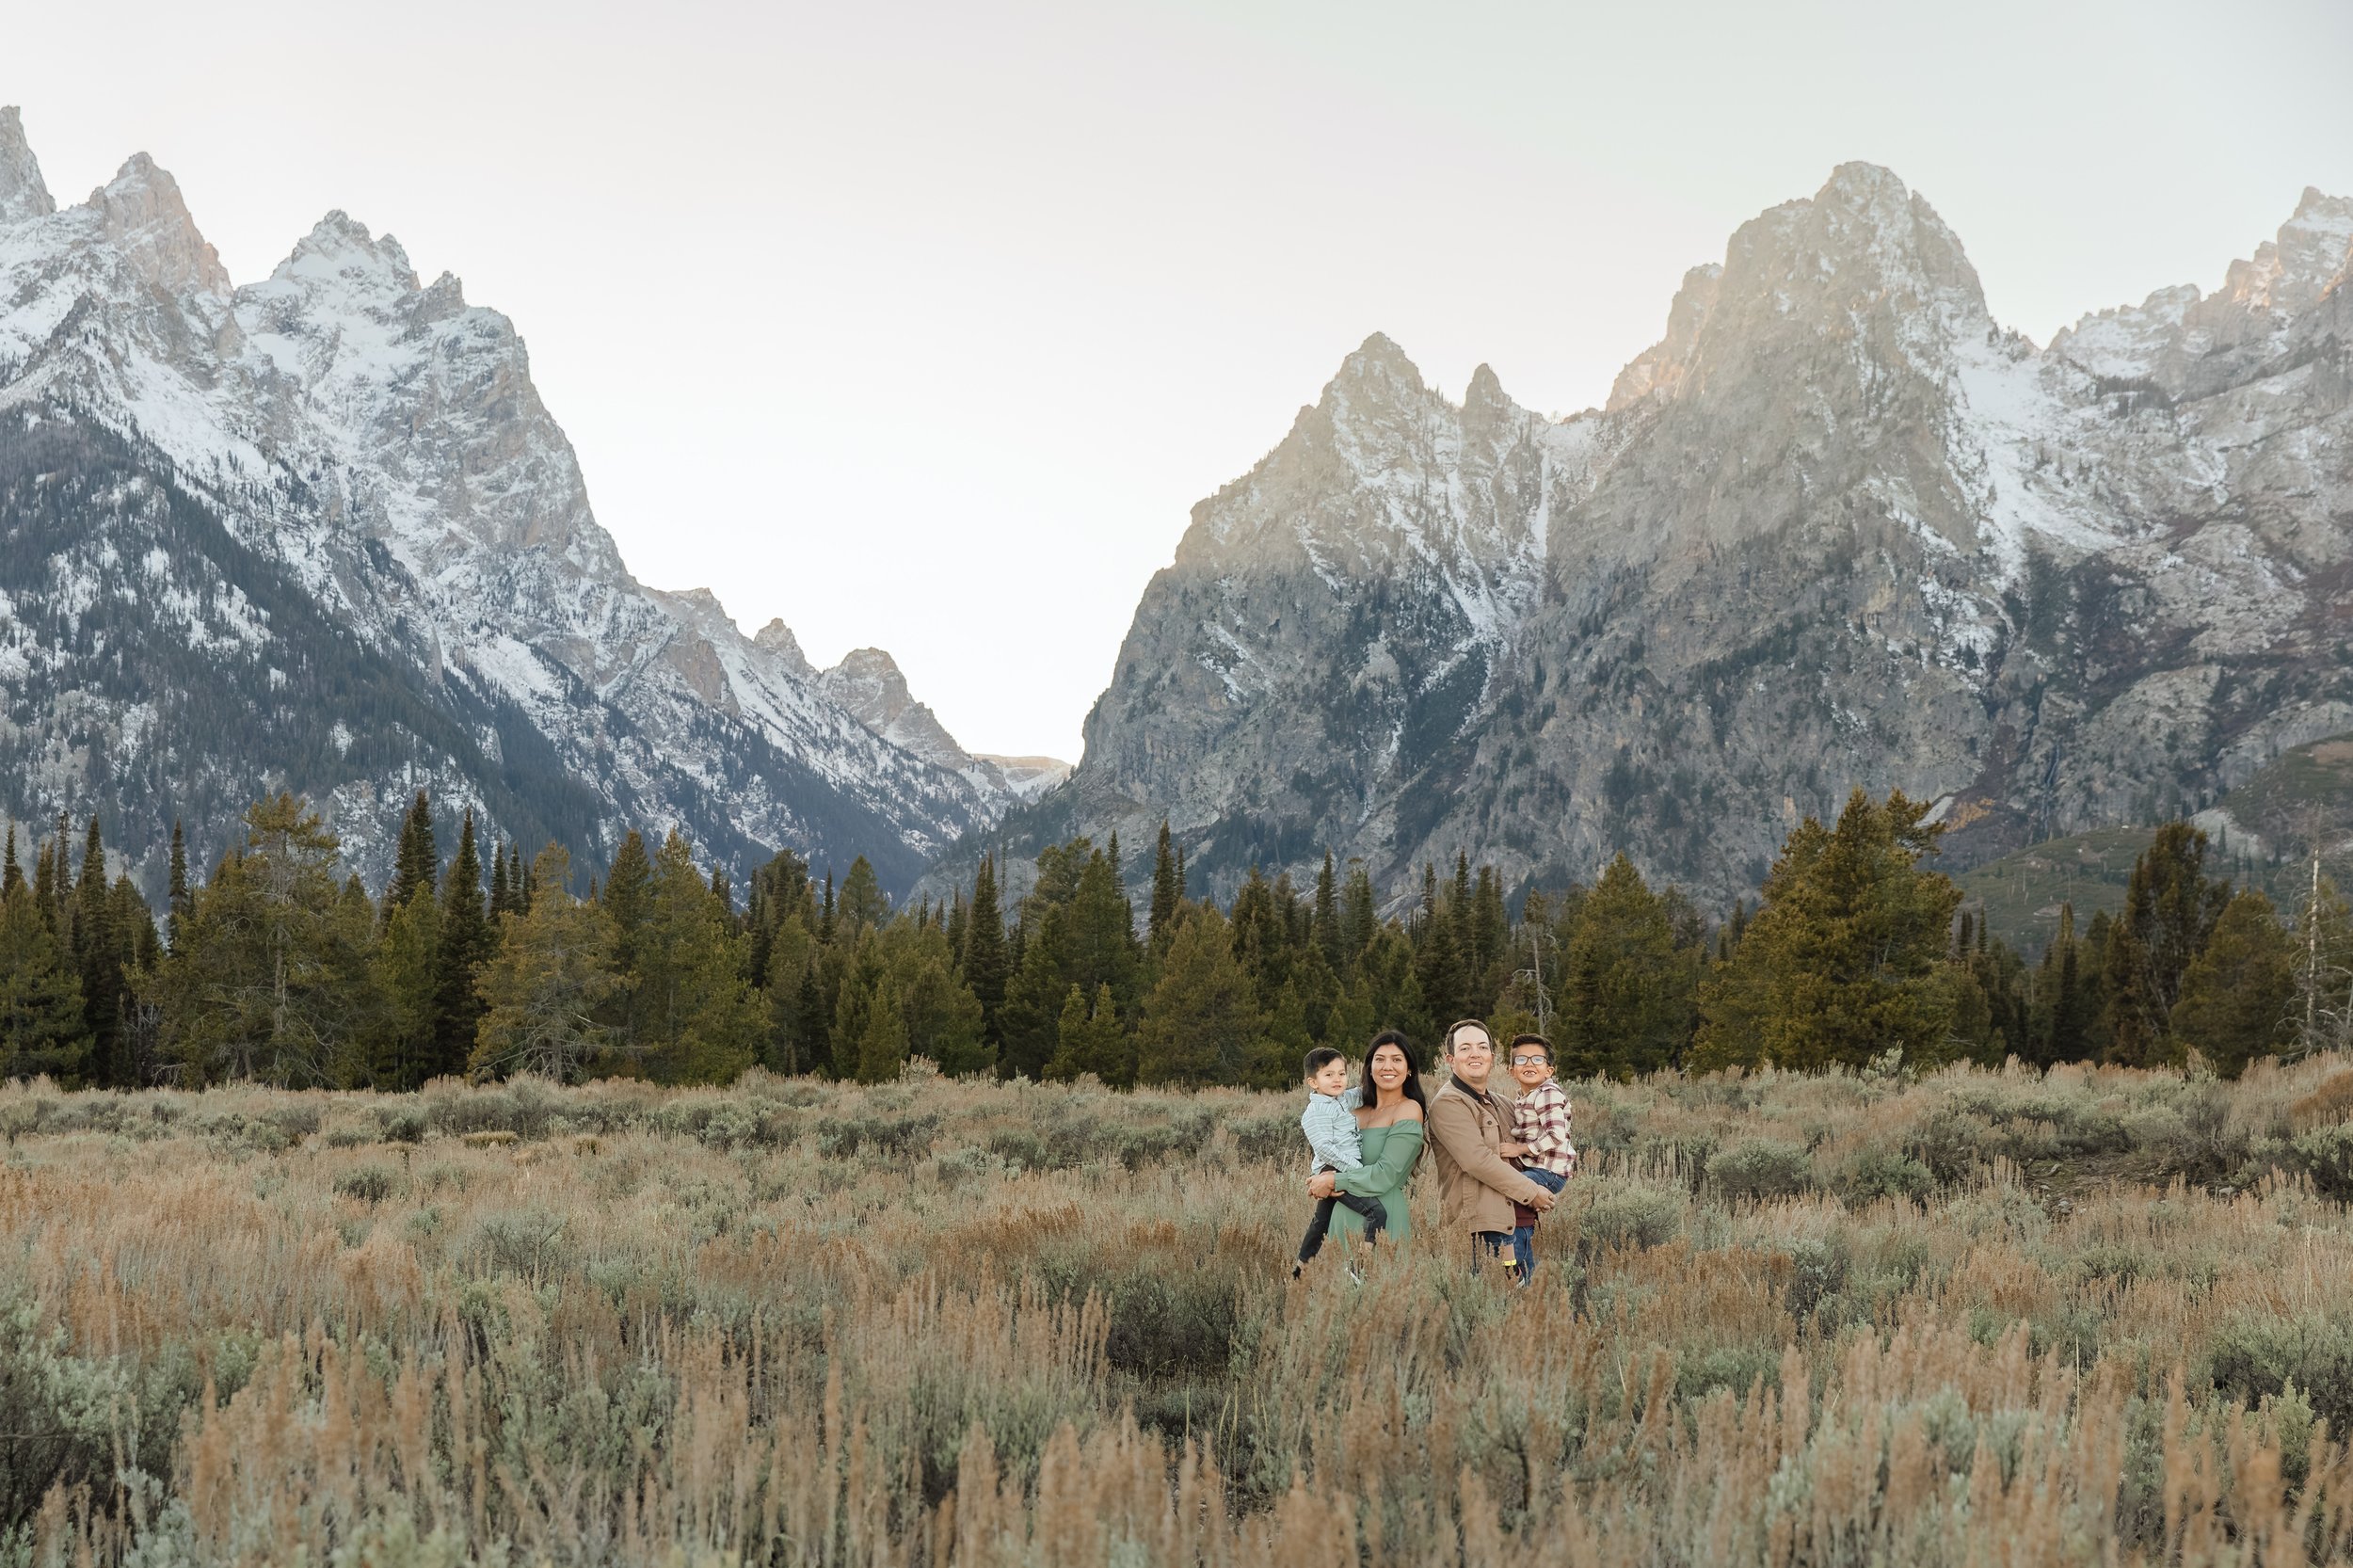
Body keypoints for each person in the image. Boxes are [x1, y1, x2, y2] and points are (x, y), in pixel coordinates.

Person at [1424, 1018, 1555, 1272]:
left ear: (1492, 1057)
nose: (1475, 1054)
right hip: (1487, 1233)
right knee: (1499, 1302)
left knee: (1525, 1304)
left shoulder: (1503, 1103)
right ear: (1450, 1059)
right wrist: (1532, 1191)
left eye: (1482, 1047)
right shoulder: (1448, 1103)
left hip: (1520, 1226)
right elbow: (1477, 1160)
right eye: (1465, 1048)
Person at [1305, 1031, 1427, 1255]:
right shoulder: (1351, 1110)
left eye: (1397, 1060)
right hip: (1341, 1215)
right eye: (1379, 1059)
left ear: (1409, 1069)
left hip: (1383, 1219)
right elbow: (1328, 1150)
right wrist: (1321, 1177)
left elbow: (1385, 1175)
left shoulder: (1408, 1110)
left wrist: (1333, 1180)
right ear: (1369, 1067)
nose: (1387, 1066)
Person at [1292, 1047, 1386, 1276]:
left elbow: (1362, 1093)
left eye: (1341, 1074)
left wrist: (1380, 1073)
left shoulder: (1341, 1099)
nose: (1337, 1079)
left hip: (1340, 1169)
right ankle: (1359, 1269)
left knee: (1320, 1223)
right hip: (1334, 1169)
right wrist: (1357, 1171)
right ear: (1313, 1082)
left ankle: (1300, 1271)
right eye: (1329, 1075)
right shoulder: (1315, 1112)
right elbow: (1325, 1149)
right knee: (1377, 1213)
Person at [1497, 1033, 1576, 1283]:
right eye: (1521, 1059)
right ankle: (1527, 1275)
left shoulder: (1547, 1093)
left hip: (1549, 1171)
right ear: (1511, 1070)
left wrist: (1519, 1150)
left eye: (1537, 1059)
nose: (1529, 1064)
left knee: (1508, 1193)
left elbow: (1556, 1135)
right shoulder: (1524, 1097)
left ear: (1549, 1069)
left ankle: (1513, 1266)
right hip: (1539, 1169)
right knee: (1519, 1209)